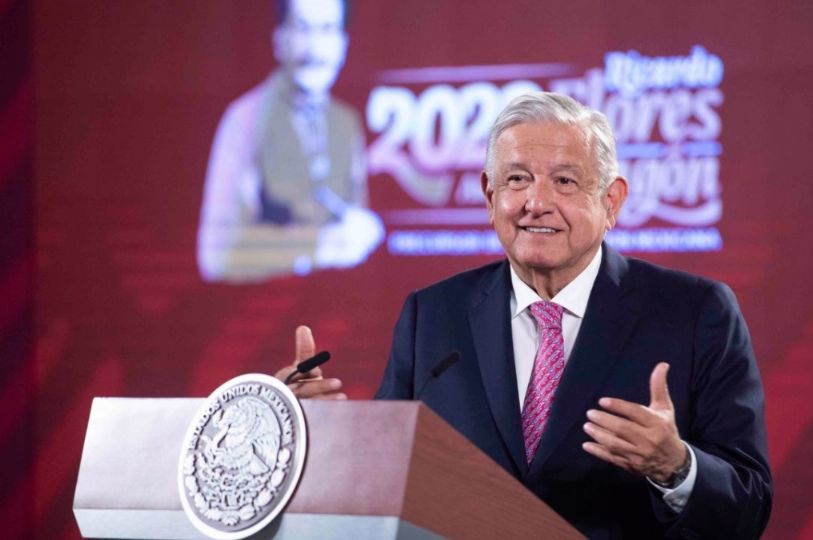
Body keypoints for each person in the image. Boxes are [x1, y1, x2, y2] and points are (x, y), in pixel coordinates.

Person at [276, 92, 772, 539]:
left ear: (612, 201)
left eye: (564, 181)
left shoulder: (695, 313)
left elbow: (749, 504)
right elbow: (385, 477)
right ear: (491, 198)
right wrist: (321, 432)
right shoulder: (433, 315)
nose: (537, 202)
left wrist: (676, 467)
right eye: (517, 179)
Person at [197, 0, 383, 283]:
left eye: (327, 29)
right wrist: (319, 246)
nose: (315, 48)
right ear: (279, 39)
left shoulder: (346, 123)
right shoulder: (246, 119)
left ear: (343, 44)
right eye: (302, 28)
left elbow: (355, 227)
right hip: (262, 313)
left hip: (341, 313)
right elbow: (216, 254)